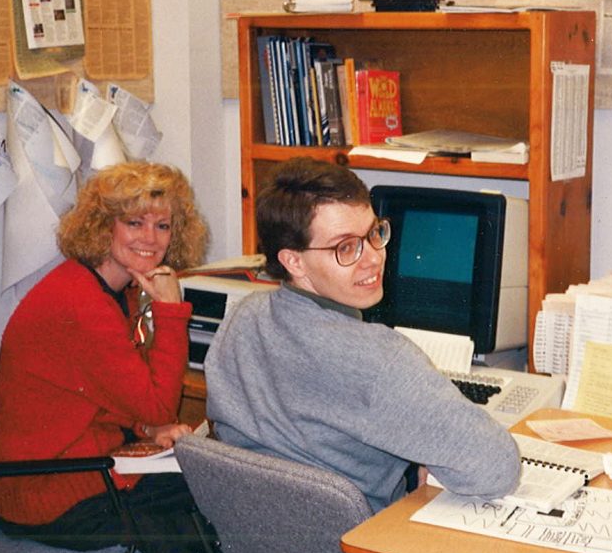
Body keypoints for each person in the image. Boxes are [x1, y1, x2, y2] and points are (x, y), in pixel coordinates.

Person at [0, 161, 241, 553]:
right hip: (46, 492)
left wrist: (146, 430)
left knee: (217, 493)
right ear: (104, 226)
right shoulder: (81, 304)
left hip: (70, 461)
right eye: (134, 222)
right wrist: (170, 311)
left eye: (163, 225)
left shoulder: (100, 285)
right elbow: (160, 404)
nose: (150, 237)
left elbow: (111, 390)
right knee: (227, 529)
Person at [204, 157, 520, 516]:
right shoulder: (379, 359)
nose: (373, 258)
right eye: (345, 247)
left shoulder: (244, 316)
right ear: (294, 262)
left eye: (374, 234)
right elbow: (498, 469)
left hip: (267, 549)